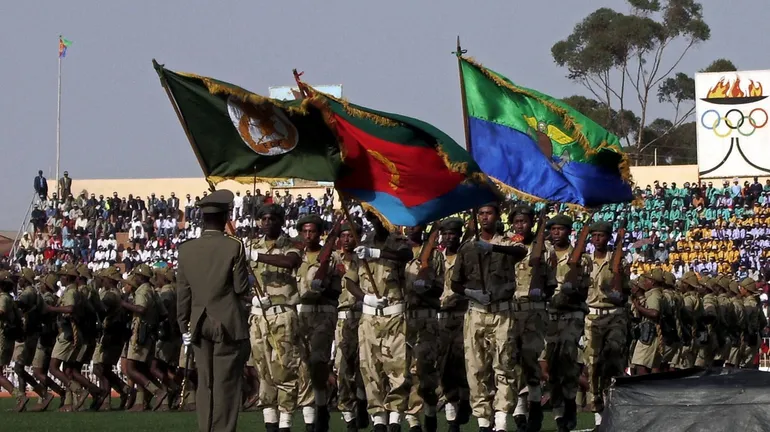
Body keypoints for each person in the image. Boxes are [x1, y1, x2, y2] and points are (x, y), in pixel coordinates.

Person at [177, 189, 251, 432]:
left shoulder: (186, 249)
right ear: (225, 217)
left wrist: (183, 326)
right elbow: (240, 288)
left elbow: (183, 293)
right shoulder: (234, 246)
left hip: (198, 322)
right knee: (226, 384)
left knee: (205, 383)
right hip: (228, 322)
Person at [450, 203, 527, 432]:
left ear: (497, 216)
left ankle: (501, 418)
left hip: (501, 312)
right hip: (476, 312)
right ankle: (483, 421)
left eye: (489, 213)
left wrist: (492, 248)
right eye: (481, 214)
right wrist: (471, 293)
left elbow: (520, 252)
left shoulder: (508, 243)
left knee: (504, 364)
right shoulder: (467, 247)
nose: (485, 217)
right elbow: (455, 283)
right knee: (476, 368)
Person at [355, 210, 414, 432]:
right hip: (370, 316)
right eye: (372, 217)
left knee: (397, 369)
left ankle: (395, 419)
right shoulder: (363, 243)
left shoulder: (398, 241)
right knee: (370, 369)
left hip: (394, 315)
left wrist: (375, 252)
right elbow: (350, 280)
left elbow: (405, 255)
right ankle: (378, 419)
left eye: (379, 217)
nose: (376, 221)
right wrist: (365, 298)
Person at [249, 203, 303, 432]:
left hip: (282, 315)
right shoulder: (252, 245)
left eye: (272, 218)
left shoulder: (291, 245)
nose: (267, 223)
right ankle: (270, 422)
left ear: (281, 221)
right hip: (259, 316)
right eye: (263, 219)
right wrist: (251, 297)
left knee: (284, 369)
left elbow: (290, 263)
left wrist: (256, 256)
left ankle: (285, 423)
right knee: (263, 371)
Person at [509, 205, 556, 432]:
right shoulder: (508, 246)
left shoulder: (546, 249)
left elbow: (551, 284)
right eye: (517, 222)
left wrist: (541, 292)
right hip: (510, 310)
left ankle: (534, 403)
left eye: (524, 221)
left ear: (532, 223)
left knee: (531, 359)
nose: (520, 225)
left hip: (534, 310)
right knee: (511, 360)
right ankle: (519, 410)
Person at [295, 214, 343, 432]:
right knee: (303, 366)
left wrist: (324, 289)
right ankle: (311, 416)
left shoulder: (332, 257)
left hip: (323, 313)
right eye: (304, 231)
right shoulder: (296, 256)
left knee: (317, 360)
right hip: (301, 314)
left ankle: (321, 405)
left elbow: (338, 290)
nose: (308, 235)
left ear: (320, 233)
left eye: (312, 231)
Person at [544, 214, 590, 432]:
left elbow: (584, 290)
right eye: (553, 229)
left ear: (569, 232)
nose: (556, 233)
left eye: (560, 229)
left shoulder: (581, 257)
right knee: (551, 367)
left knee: (569, 363)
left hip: (571, 316)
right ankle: (558, 411)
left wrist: (573, 290)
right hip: (549, 317)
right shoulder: (544, 255)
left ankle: (570, 401)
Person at [584, 221, 629, 429]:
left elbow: (625, 291)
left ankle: (615, 409)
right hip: (592, 316)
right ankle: (598, 416)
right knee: (593, 365)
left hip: (614, 316)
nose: (597, 239)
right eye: (594, 235)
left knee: (613, 363)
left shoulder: (618, 260)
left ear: (609, 238)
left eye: (601, 235)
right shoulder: (585, 261)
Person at [403, 224, 444, 432]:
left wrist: (426, 287)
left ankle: (429, 410)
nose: (411, 228)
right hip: (401, 319)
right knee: (405, 371)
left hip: (426, 318)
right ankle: (412, 419)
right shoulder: (398, 252)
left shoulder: (434, 255)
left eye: (416, 224)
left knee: (425, 370)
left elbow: (440, 289)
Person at [436, 217, 471, 432]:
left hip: (462, 315)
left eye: (453, 234)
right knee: (443, 365)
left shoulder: (465, 257)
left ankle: (465, 401)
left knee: (462, 363)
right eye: (446, 234)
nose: (449, 237)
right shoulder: (437, 258)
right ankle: (452, 413)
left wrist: (458, 298)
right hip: (440, 317)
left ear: (459, 235)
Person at [334, 222, 369, 431]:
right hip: (342, 317)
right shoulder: (334, 259)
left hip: (364, 315)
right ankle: (348, 413)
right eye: (344, 235)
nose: (347, 239)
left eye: (351, 235)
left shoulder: (364, 258)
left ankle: (362, 402)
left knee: (364, 366)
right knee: (343, 367)